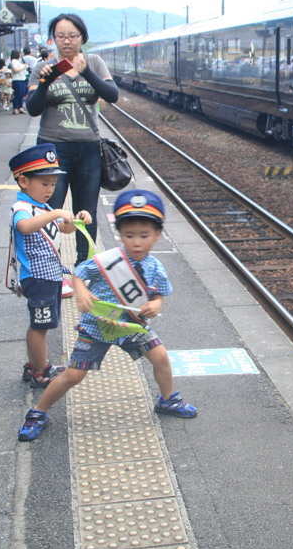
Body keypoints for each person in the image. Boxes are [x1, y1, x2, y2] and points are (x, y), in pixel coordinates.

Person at [17, 189, 197, 441]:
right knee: (73, 375)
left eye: (144, 235)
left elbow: (159, 294)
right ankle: (38, 412)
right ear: (120, 234)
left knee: (161, 358)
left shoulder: (155, 267)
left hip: (132, 326)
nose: (136, 242)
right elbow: (80, 273)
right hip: (97, 327)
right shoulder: (108, 260)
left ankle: (168, 399)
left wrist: (156, 304)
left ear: (157, 235)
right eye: (129, 235)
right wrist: (81, 293)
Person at [26, 13, 120, 292]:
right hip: (52, 150)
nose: (66, 42)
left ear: (82, 38)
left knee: (86, 212)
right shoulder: (42, 67)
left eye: (72, 36)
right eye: (61, 36)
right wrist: (45, 81)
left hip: (88, 148)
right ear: (53, 38)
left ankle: (83, 269)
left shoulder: (94, 62)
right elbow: (32, 108)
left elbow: (112, 95)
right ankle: (51, 270)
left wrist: (84, 72)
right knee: (49, 211)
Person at [6, 143, 92, 388]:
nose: (50, 189)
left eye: (53, 184)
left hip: (49, 276)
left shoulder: (42, 207)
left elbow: (63, 229)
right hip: (37, 277)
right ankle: (39, 371)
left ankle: (35, 364)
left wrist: (77, 219)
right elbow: (23, 227)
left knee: (43, 323)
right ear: (23, 181)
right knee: (40, 326)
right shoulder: (22, 208)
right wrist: (56, 213)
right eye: (44, 184)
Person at [9, 49, 29, 114]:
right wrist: (24, 67)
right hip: (16, 80)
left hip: (22, 79)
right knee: (18, 94)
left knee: (22, 94)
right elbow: (16, 70)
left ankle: (20, 107)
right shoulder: (13, 61)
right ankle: (15, 108)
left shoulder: (18, 61)